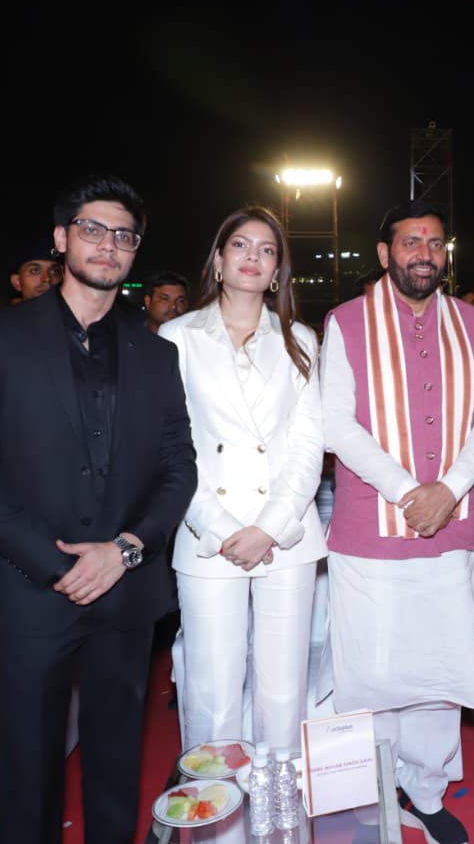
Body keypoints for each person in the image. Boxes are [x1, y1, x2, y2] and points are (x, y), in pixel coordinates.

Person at [0, 174, 197, 844]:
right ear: (61, 239)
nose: (108, 245)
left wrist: (127, 549)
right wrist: (55, 565)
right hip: (27, 585)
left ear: (134, 251)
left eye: (124, 235)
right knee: (27, 772)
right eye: (92, 229)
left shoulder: (157, 354)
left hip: (125, 587)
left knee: (117, 762)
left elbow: (179, 466)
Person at [320, 200, 474, 844]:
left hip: (458, 527)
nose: (424, 253)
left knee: (440, 671)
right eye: (410, 242)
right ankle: (374, 793)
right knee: (373, 673)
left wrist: (449, 491)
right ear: (385, 253)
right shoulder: (345, 322)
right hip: (371, 531)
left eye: (434, 242)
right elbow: (336, 423)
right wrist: (408, 492)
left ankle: (426, 791)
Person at [157, 206, 326, 753]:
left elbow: (308, 446)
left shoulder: (299, 338)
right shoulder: (177, 336)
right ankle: (214, 807)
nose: (253, 257)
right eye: (241, 245)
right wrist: (224, 527)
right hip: (208, 533)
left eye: (267, 250)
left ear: (277, 271)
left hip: (286, 534)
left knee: (284, 688)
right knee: (212, 688)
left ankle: (279, 802)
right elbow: (171, 447)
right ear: (218, 259)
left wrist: (269, 527)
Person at [143, 270, 190, 334]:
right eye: (164, 299)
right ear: (148, 302)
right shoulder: (132, 336)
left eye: (180, 301)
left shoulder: (195, 337)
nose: (173, 306)